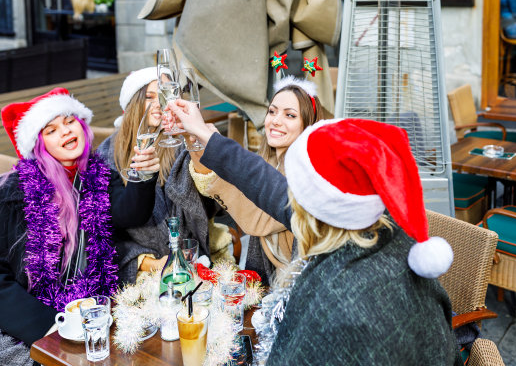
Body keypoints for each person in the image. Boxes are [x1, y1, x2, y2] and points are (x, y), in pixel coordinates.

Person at [166, 99, 460, 364]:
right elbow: (266, 184)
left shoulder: (330, 299)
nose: (288, 197)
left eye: (295, 193)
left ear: (309, 209)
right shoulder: (385, 231)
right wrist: (205, 134)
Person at [0, 89, 157, 360]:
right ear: (38, 145)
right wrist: (50, 327)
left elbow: (128, 214)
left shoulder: (98, 175)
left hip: (93, 307)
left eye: (70, 121)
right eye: (50, 130)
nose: (65, 131)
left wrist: (142, 176)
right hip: (33, 319)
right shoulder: (15, 194)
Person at [96, 68, 226, 284]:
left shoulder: (181, 142)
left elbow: (211, 205)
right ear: (132, 104)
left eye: (165, 95)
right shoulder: (108, 152)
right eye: (149, 97)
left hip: (189, 256)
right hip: (138, 267)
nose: (159, 103)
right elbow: (111, 221)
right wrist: (148, 262)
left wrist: (205, 151)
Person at [189, 76, 323, 285]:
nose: (275, 120)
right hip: (269, 281)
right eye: (272, 111)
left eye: (290, 115)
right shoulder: (267, 162)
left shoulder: (307, 176)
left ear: (308, 124)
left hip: (299, 287)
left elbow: (257, 218)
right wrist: (196, 144)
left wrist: (213, 145)